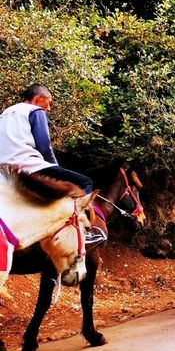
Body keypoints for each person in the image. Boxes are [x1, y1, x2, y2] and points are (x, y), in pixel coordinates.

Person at [0, 84, 106, 244]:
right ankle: (85, 228)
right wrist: (54, 166)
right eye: (49, 102)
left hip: (4, 169)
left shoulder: (4, 114)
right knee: (85, 181)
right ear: (38, 98)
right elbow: (44, 145)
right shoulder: (35, 111)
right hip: (28, 166)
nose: (49, 108)